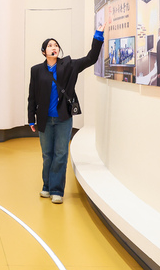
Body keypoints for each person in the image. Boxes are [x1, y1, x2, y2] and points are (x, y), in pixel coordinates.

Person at [28, 22, 106, 204]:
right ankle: (47, 185)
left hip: (63, 118)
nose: (53, 47)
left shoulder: (69, 65)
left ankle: (57, 190)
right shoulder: (36, 70)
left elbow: (91, 58)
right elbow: (32, 96)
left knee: (61, 154)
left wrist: (98, 35)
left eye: (56, 45)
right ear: (44, 52)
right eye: (50, 45)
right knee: (47, 155)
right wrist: (31, 119)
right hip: (44, 119)